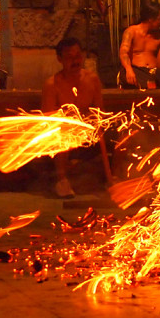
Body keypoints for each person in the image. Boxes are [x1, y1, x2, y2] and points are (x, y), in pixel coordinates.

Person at [41, 37, 104, 198]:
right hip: (64, 132)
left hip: (88, 130)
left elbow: (99, 111)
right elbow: (48, 119)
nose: (75, 61)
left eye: (78, 56)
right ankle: (62, 181)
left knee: (125, 132)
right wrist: (70, 123)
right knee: (63, 132)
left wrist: (91, 124)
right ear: (60, 59)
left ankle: (114, 178)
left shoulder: (92, 79)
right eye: (69, 57)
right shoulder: (52, 84)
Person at [119, 1, 160, 89]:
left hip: (154, 72)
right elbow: (123, 52)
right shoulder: (131, 31)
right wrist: (128, 69)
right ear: (150, 19)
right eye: (159, 19)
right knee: (132, 79)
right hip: (136, 70)